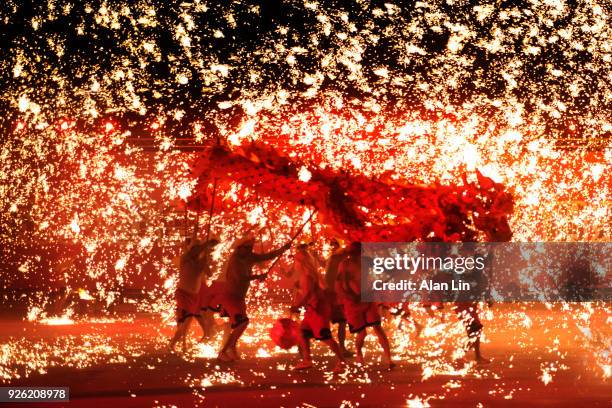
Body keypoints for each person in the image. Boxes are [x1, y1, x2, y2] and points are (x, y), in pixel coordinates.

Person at [212, 235, 291, 362]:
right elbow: (240, 278)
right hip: (230, 297)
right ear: (240, 248)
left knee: (237, 325)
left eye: (251, 248)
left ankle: (231, 349)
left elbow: (268, 256)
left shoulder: (249, 256)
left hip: (239, 298)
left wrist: (283, 249)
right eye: (248, 248)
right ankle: (223, 351)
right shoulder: (235, 260)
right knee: (243, 323)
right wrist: (258, 277)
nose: (250, 250)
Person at [336, 242, 394, 369]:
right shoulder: (344, 265)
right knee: (362, 333)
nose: (354, 255)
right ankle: (359, 354)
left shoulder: (367, 261)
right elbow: (338, 284)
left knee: (377, 327)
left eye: (356, 252)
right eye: (352, 252)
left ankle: (389, 359)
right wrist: (347, 297)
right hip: (353, 302)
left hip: (368, 299)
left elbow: (387, 271)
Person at [291, 244, 345, 372]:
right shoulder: (307, 275)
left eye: (296, 260)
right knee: (303, 333)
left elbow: (309, 293)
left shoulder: (308, 275)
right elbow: (313, 290)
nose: (294, 263)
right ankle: (307, 360)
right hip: (312, 309)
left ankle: (342, 362)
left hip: (318, 310)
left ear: (301, 262)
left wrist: (296, 306)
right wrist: (298, 289)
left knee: (325, 336)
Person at [169, 237, 218, 352]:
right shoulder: (185, 258)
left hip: (194, 296)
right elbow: (192, 252)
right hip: (183, 294)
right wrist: (206, 245)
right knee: (185, 321)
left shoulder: (199, 262)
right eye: (195, 249)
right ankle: (177, 344)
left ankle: (178, 344)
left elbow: (209, 274)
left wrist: (205, 260)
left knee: (186, 322)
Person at [323, 239, 351, 356]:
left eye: (334, 245)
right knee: (339, 321)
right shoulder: (336, 259)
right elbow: (331, 277)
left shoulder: (336, 258)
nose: (332, 247)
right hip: (334, 295)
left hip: (335, 294)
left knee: (341, 322)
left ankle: (341, 347)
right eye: (331, 245)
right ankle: (341, 348)